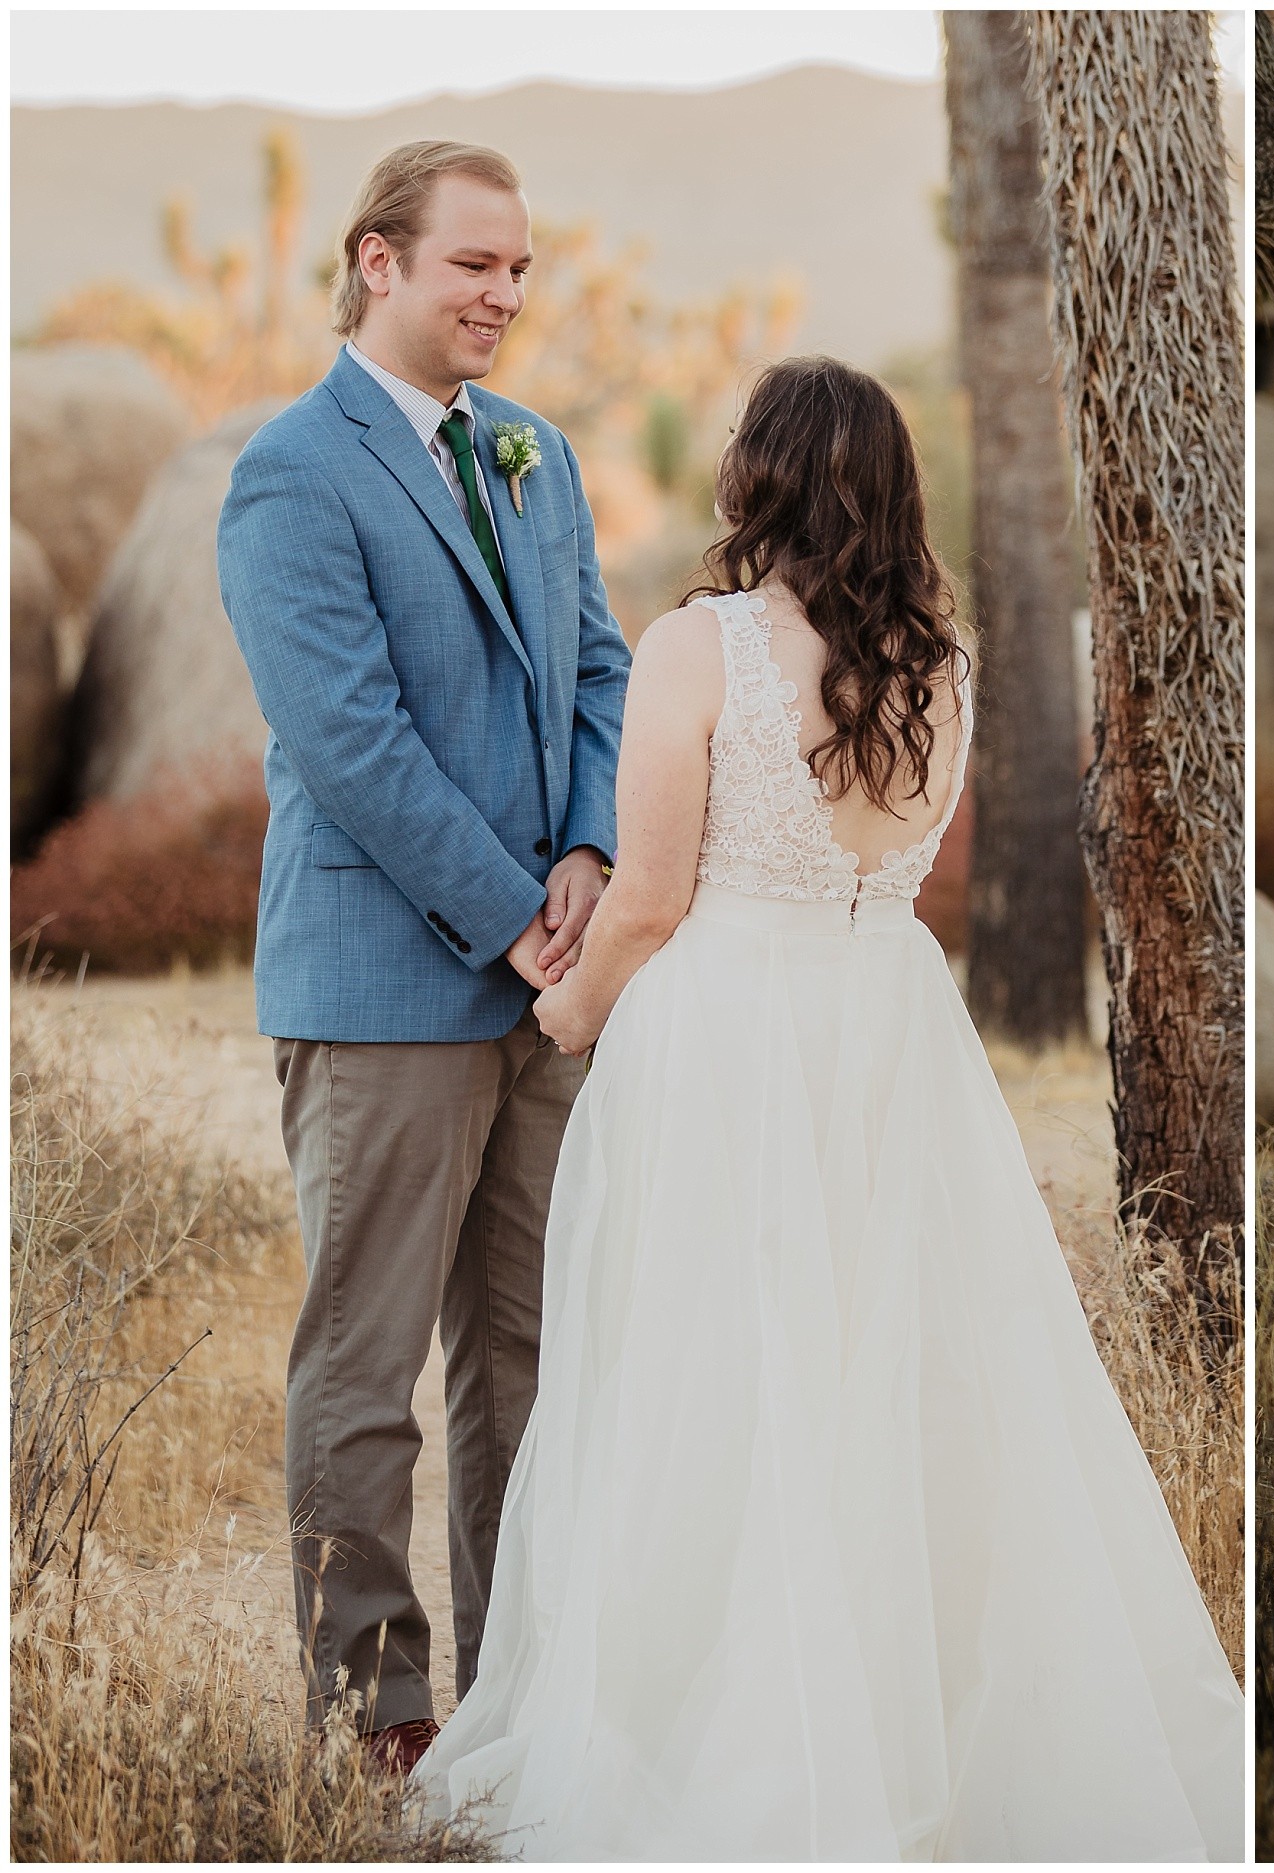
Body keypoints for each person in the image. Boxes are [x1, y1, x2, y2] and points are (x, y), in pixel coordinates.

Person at [409, 356, 1243, 1860]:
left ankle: (716, 1745)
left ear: (761, 475)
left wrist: (568, 1009)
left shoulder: (700, 646)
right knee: (891, 1374)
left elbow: (651, 894)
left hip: (729, 1027)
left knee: (708, 1372)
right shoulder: (949, 661)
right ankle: (888, 1716)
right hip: (888, 1020)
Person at [219, 140, 629, 1773]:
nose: (504, 296)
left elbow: (600, 662)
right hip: (387, 978)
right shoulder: (291, 473)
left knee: (527, 1355)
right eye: (474, 264)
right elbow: (349, 737)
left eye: (520, 268)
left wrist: (592, 855)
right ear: (376, 261)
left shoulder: (535, 451)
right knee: (368, 1359)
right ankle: (377, 1706)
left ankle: (519, 1681)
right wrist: (518, 905)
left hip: (553, 983)